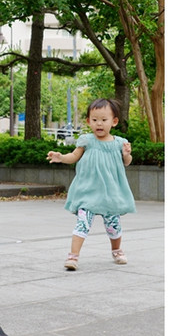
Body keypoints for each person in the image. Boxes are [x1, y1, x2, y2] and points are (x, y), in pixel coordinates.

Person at [47, 98, 134, 271]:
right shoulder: (86, 140)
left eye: (104, 120)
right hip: (88, 192)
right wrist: (61, 158)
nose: (99, 124)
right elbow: (74, 156)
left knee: (113, 225)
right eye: (94, 120)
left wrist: (126, 154)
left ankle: (116, 250)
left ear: (114, 121)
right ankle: (73, 256)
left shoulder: (119, 142)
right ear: (88, 121)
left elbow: (127, 163)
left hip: (110, 193)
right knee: (82, 223)